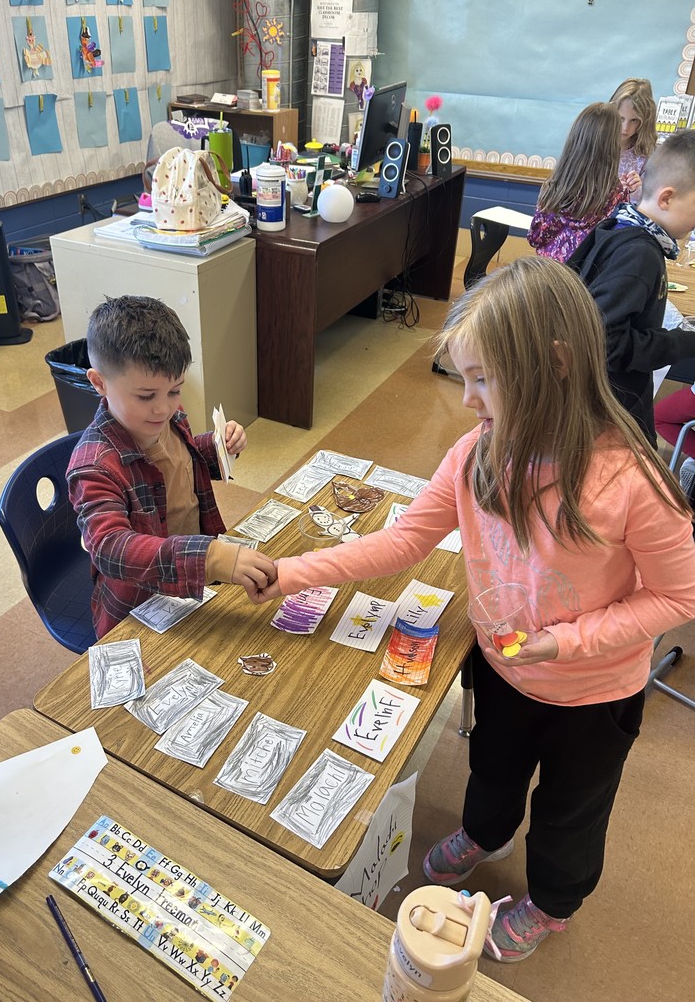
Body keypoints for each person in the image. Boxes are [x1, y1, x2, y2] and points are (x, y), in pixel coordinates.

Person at [248, 257, 695, 962]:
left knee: (570, 814)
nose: (465, 401)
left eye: (482, 379)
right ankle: (486, 835)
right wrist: (291, 574)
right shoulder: (475, 455)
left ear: (553, 365)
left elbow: (678, 594)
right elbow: (402, 542)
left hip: (594, 692)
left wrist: (571, 641)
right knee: (492, 767)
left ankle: (551, 905)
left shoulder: (631, 481)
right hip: (504, 669)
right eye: (465, 378)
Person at [67, 295, 275, 637]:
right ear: (99, 382)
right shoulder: (94, 465)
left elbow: (179, 463)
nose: (162, 409)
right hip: (140, 602)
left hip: (193, 578)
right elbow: (110, 547)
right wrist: (209, 559)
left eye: (175, 390)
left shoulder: (167, 418)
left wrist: (217, 446)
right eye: (146, 396)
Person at [568, 128, 695, 445]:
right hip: (610, 414)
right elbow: (603, 339)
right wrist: (681, 342)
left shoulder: (618, 226)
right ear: (667, 197)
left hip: (598, 406)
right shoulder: (640, 254)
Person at [527, 103, 631, 263]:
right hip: (583, 281)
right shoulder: (617, 195)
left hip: (546, 274)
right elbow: (617, 248)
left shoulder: (555, 186)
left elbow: (535, 238)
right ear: (613, 146)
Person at [609, 77, 657, 188]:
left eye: (634, 120)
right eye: (621, 118)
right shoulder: (596, 145)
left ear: (645, 121)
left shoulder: (645, 155)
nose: (625, 128)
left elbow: (649, 199)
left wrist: (636, 190)